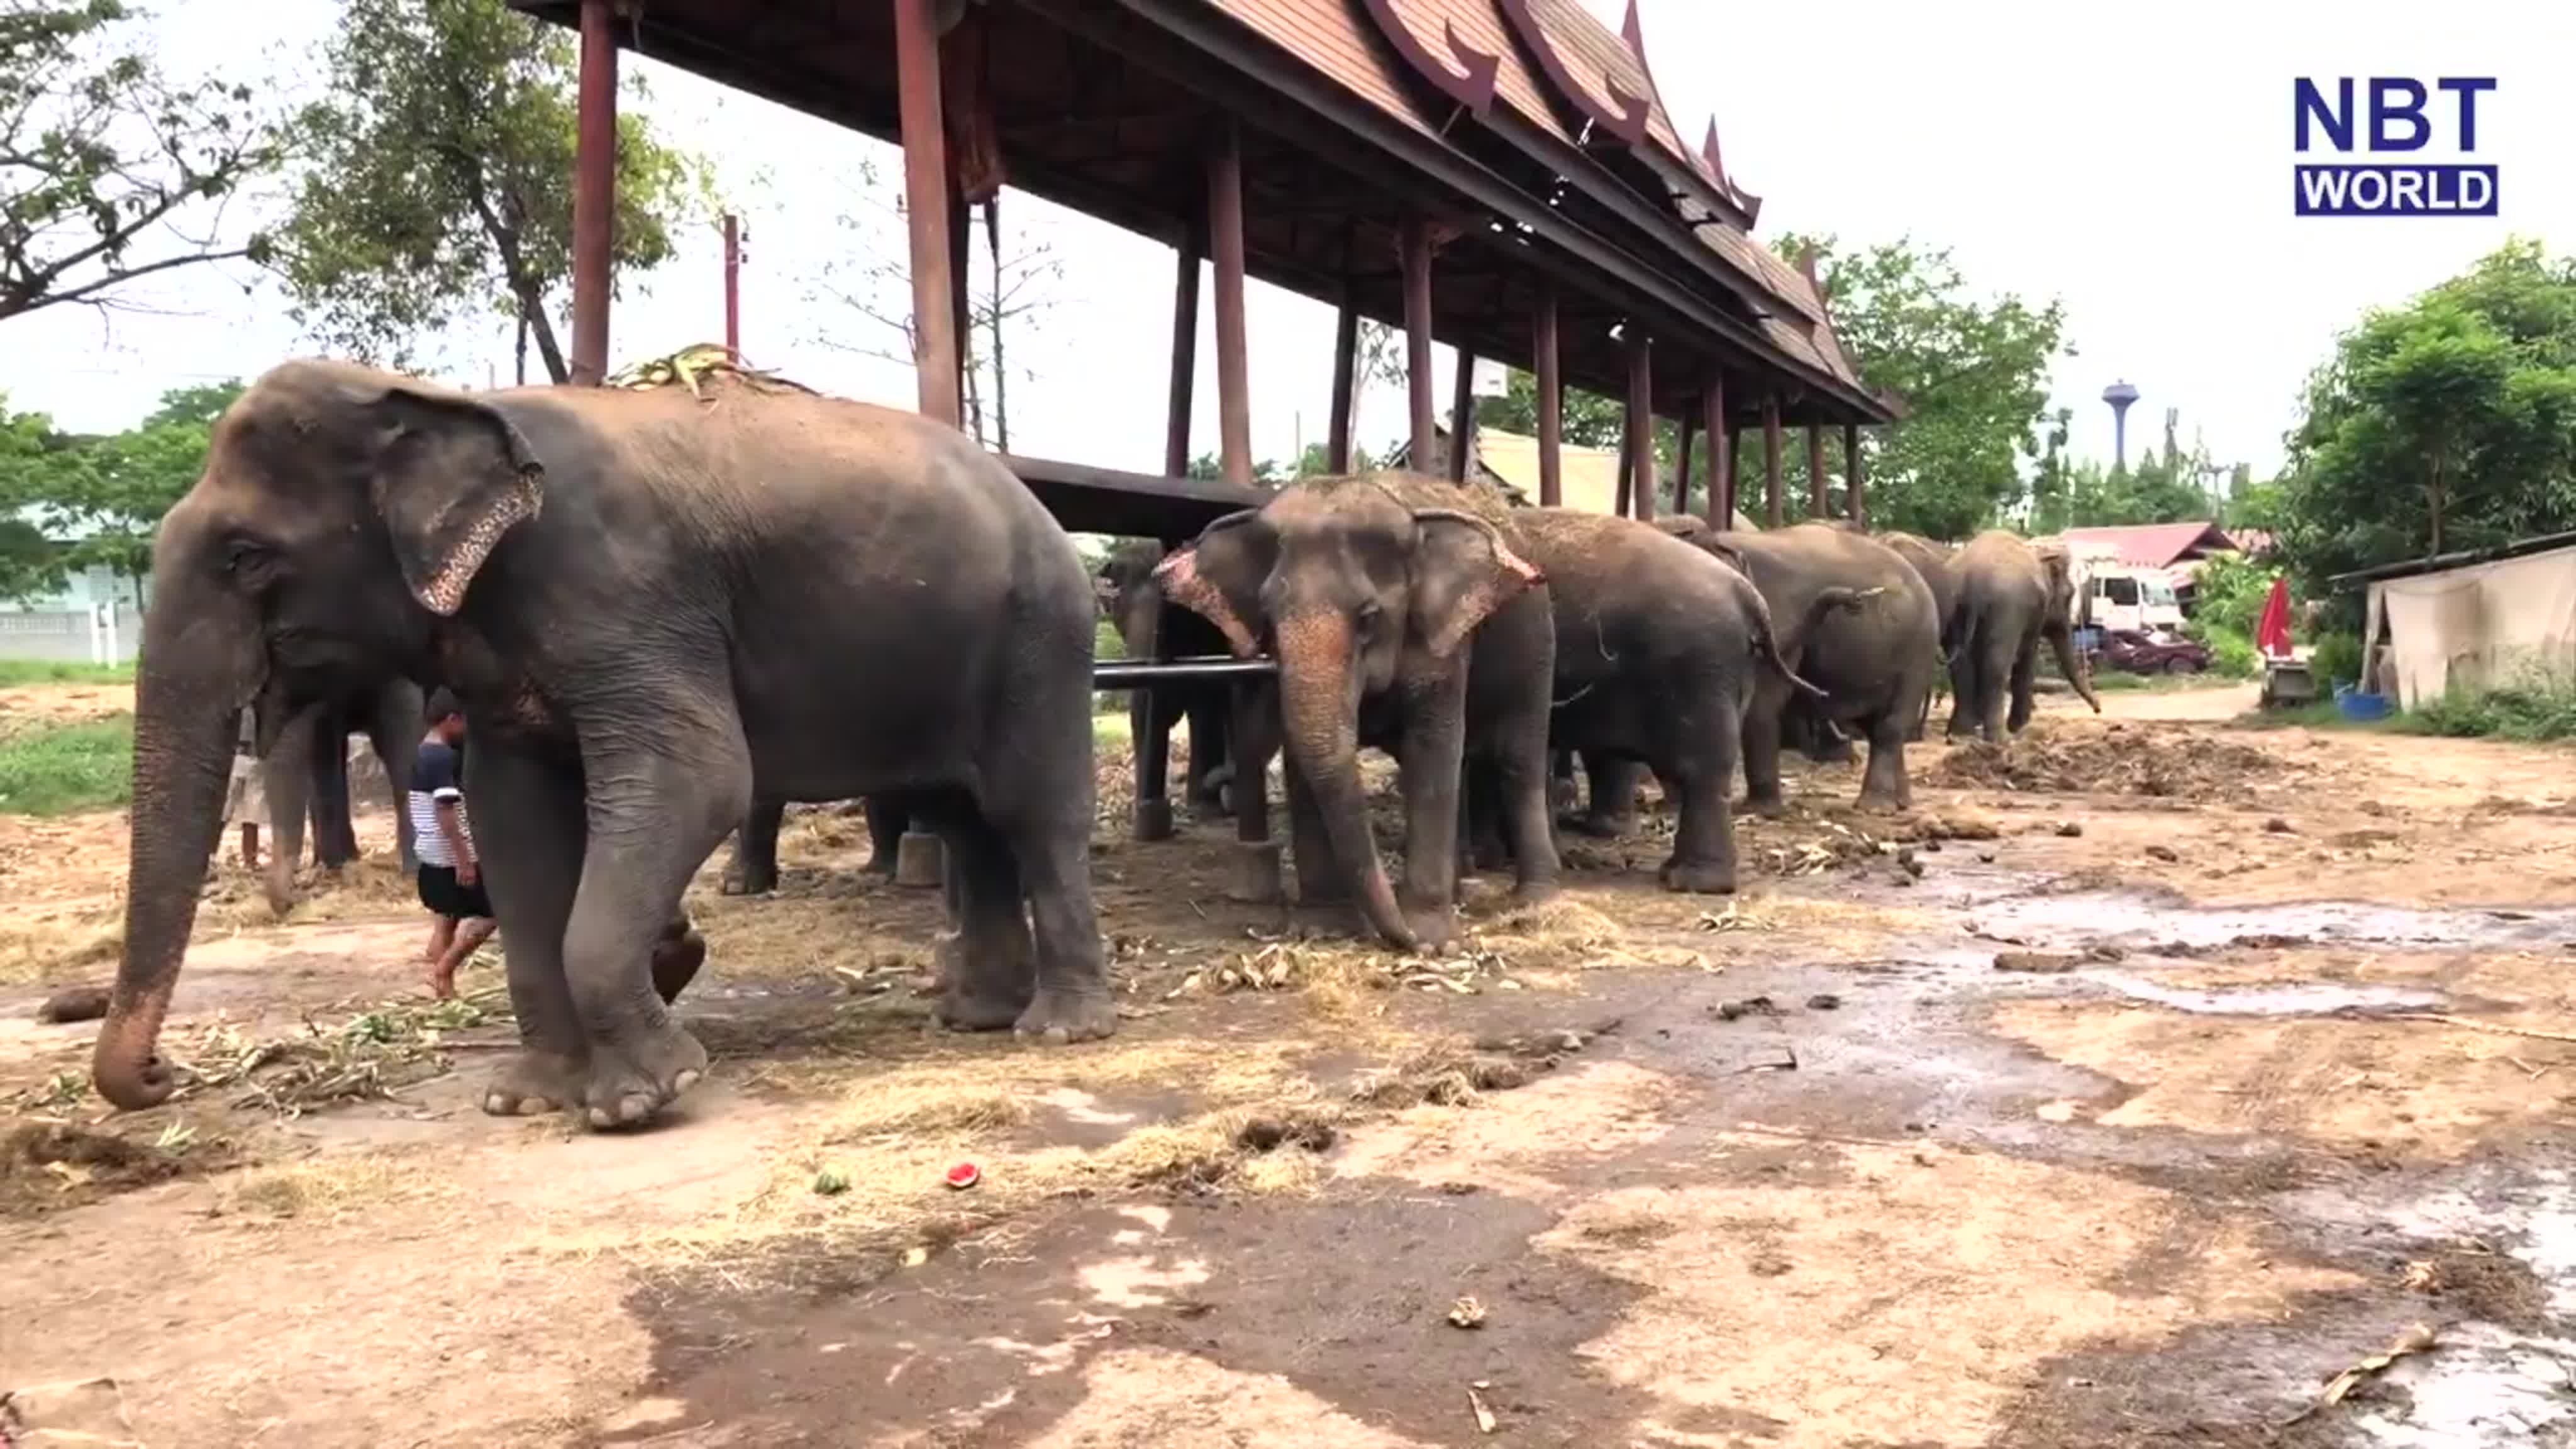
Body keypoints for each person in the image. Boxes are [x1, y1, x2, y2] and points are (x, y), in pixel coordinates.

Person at [411, 689, 496, 998]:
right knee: (492, 912)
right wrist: (464, 859)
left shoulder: (420, 752)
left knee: (446, 917)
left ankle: (442, 989)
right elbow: (445, 810)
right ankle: (444, 970)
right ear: (452, 719)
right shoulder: (442, 757)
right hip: (448, 855)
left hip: (429, 854)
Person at [221, 709, 265, 874]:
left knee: (252, 813)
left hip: (255, 759)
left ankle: (250, 859)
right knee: (226, 809)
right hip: (241, 757)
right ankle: (208, 856)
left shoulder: (256, 707)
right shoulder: (244, 707)